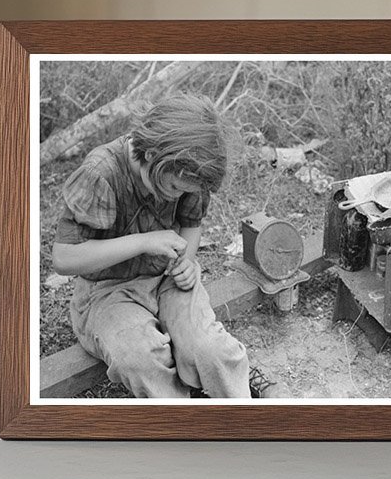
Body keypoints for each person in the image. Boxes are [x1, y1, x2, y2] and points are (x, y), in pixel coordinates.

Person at [51, 93, 280, 399]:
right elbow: (64, 259)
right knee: (141, 358)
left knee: (210, 349)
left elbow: (191, 224)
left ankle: (240, 415)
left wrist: (186, 260)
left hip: (166, 278)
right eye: (173, 187)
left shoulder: (189, 170)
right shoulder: (102, 172)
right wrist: (144, 242)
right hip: (107, 291)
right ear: (152, 155)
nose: (175, 196)